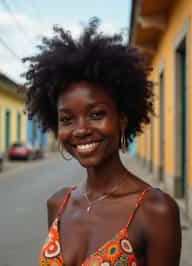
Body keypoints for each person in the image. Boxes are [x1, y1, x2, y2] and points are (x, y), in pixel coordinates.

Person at [23, 17, 181, 266]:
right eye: (67, 119)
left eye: (96, 114)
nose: (81, 130)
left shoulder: (155, 210)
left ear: (121, 119)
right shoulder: (58, 204)